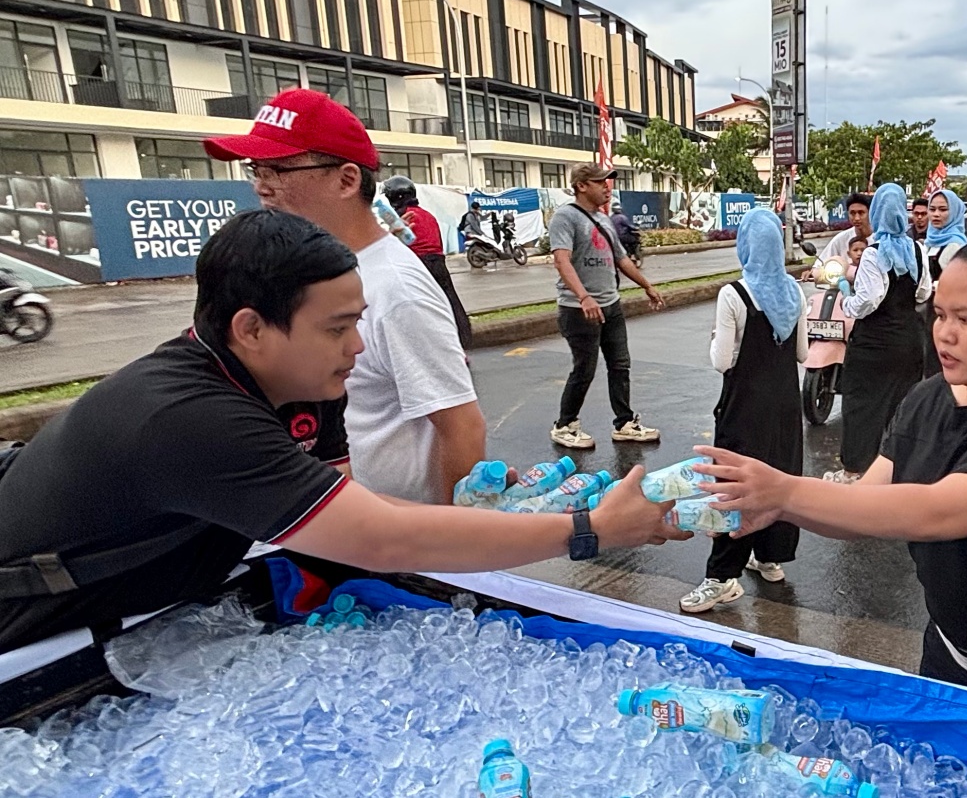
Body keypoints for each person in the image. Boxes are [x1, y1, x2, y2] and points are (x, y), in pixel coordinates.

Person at [0, 210, 687, 654]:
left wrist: (488, 514)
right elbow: (380, 537)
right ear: (251, 329)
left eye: (358, 319)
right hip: (39, 635)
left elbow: (355, 511)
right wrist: (589, 527)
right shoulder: (189, 418)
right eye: (337, 327)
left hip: (158, 614)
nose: (357, 346)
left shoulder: (304, 380)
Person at [695, 238, 967, 719]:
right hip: (950, 644)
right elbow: (865, 506)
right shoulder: (929, 397)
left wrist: (785, 488)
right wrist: (772, 504)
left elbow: (935, 513)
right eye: (939, 315)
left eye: (966, 319)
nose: (944, 334)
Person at [205, 88, 482, 505]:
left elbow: (460, 424)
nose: (261, 187)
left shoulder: (396, 288)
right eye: (255, 169)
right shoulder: (306, 270)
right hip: (327, 525)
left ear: (347, 179)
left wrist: (451, 550)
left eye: (277, 169)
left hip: (392, 544)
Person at [681, 208, 808, 613]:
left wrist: (718, 337)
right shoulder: (794, 292)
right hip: (787, 406)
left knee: (733, 488)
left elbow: (722, 361)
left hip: (744, 408)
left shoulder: (734, 294)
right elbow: (803, 353)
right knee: (779, 479)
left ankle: (722, 578)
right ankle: (769, 558)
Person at [549, 164, 666, 449]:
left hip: (611, 305)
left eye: (607, 182)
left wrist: (646, 286)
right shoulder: (565, 218)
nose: (607, 187)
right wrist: (583, 297)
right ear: (582, 186)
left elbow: (622, 260)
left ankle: (624, 423)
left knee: (620, 365)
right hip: (579, 309)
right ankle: (565, 425)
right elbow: (561, 261)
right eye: (600, 182)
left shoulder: (604, 220)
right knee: (584, 368)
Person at [829, 183, 932, 483]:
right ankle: (896, 472)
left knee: (862, 407)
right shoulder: (917, 249)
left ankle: (855, 471)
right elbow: (923, 292)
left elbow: (867, 302)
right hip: (909, 340)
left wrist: (847, 299)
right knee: (901, 407)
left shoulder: (874, 253)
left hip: (874, 344)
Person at [382, 174, 472, 352]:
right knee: (449, 302)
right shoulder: (427, 214)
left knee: (419, 310)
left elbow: (397, 246)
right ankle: (462, 339)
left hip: (418, 265)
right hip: (439, 263)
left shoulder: (401, 217)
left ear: (395, 197)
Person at [922, 189, 967, 377]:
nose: (936, 214)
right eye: (932, 209)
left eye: (942, 209)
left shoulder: (957, 245)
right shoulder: (929, 242)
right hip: (926, 310)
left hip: (946, 313)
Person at [808, 193, 873, 280]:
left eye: (861, 213)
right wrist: (812, 273)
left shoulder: (880, 239)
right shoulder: (840, 239)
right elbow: (820, 264)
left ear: (870, 213)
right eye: (852, 213)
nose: (857, 218)